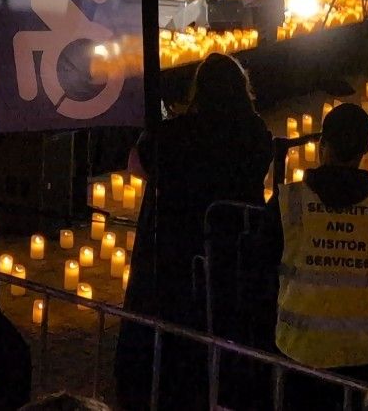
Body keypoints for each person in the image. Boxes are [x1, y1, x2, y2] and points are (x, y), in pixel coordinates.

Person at [117, 54, 274, 410]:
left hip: (176, 249)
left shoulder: (175, 134)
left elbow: (136, 165)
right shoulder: (255, 134)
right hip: (232, 252)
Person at [266, 102, 368, 388]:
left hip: (299, 352)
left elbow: (263, 262)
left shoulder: (288, 202)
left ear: (321, 143)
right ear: (366, 148)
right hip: (364, 355)